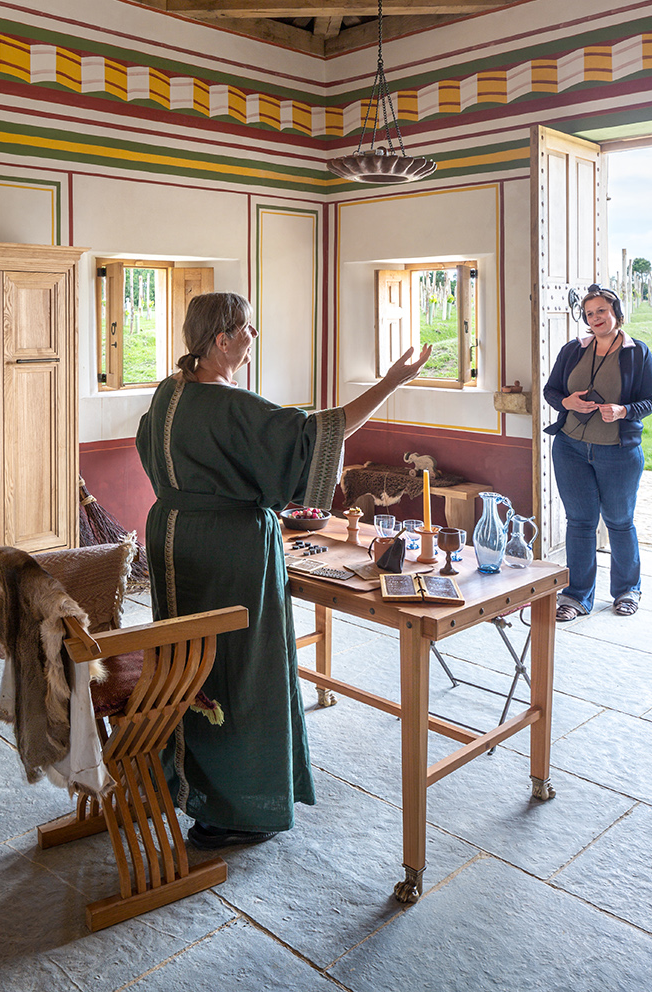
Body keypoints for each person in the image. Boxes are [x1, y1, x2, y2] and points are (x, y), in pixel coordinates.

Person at [136, 292, 433, 849]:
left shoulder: (170, 390)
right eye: (247, 330)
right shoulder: (232, 405)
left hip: (173, 537)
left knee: (187, 659)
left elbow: (148, 446)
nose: (252, 339)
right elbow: (321, 434)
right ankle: (236, 807)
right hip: (228, 546)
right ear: (221, 339)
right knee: (242, 666)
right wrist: (392, 381)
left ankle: (187, 782)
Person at [542, 285, 652, 622]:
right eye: (590, 313)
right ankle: (576, 596)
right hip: (570, 448)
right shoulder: (572, 350)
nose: (595, 318)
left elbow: (651, 399)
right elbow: (552, 391)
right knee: (579, 522)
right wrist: (567, 402)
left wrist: (623, 411)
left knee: (620, 522)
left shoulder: (638, 353)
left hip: (618, 452)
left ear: (616, 314)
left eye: (602, 312)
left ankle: (627, 591)